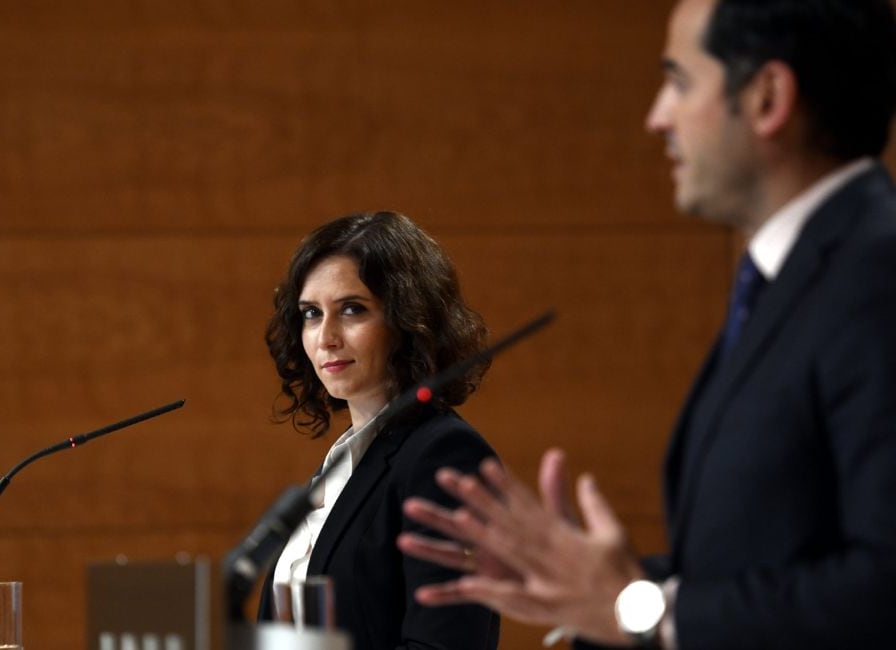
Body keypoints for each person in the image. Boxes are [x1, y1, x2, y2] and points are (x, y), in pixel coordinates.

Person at [396, 0, 896, 648]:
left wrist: (647, 611)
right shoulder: (794, 277)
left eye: (681, 82)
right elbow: (768, 561)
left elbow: (883, 586)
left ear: (769, 97)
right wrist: (584, 583)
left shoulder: (875, 275)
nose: (657, 117)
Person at [258, 211, 500, 649]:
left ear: (408, 320)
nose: (325, 337)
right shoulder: (342, 464)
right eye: (311, 314)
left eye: (352, 309)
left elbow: (446, 643)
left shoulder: (444, 453)